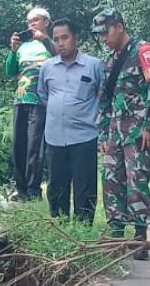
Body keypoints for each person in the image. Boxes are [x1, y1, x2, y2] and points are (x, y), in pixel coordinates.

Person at [91, 8, 150, 260]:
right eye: (100, 34)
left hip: (137, 131)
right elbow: (104, 100)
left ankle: (139, 236)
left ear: (119, 26)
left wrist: (149, 126)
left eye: (106, 32)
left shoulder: (144, 51)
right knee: (111, 181)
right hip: (114, 132)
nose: (104, 38)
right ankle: (115, 233)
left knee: (137, 182)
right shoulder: (110, 61)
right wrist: (102, 135)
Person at [37, 19, 104, 221]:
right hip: (55, 138)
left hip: (84, 137)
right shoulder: (47, 68)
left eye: (65, 38)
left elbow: (104, 98)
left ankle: (83, 233)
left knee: (85, 188)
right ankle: (60, 230)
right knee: (56, 187)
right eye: (56, 39)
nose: (60, 43)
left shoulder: (94, 65)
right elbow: (43, 96)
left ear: (76, 38)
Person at [5, 7, 56, 200]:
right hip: (21, 99)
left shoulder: (51, 44)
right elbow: (10, 71)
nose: (31, 24)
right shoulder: (23, 48)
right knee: (19, 144)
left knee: (36, 146)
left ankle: (34, 190)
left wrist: (43, 38)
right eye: (29, 22)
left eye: (36, 20)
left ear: (46, 22)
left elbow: (60, 57)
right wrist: (13, 50)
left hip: (42, 101)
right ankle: (21, 188)